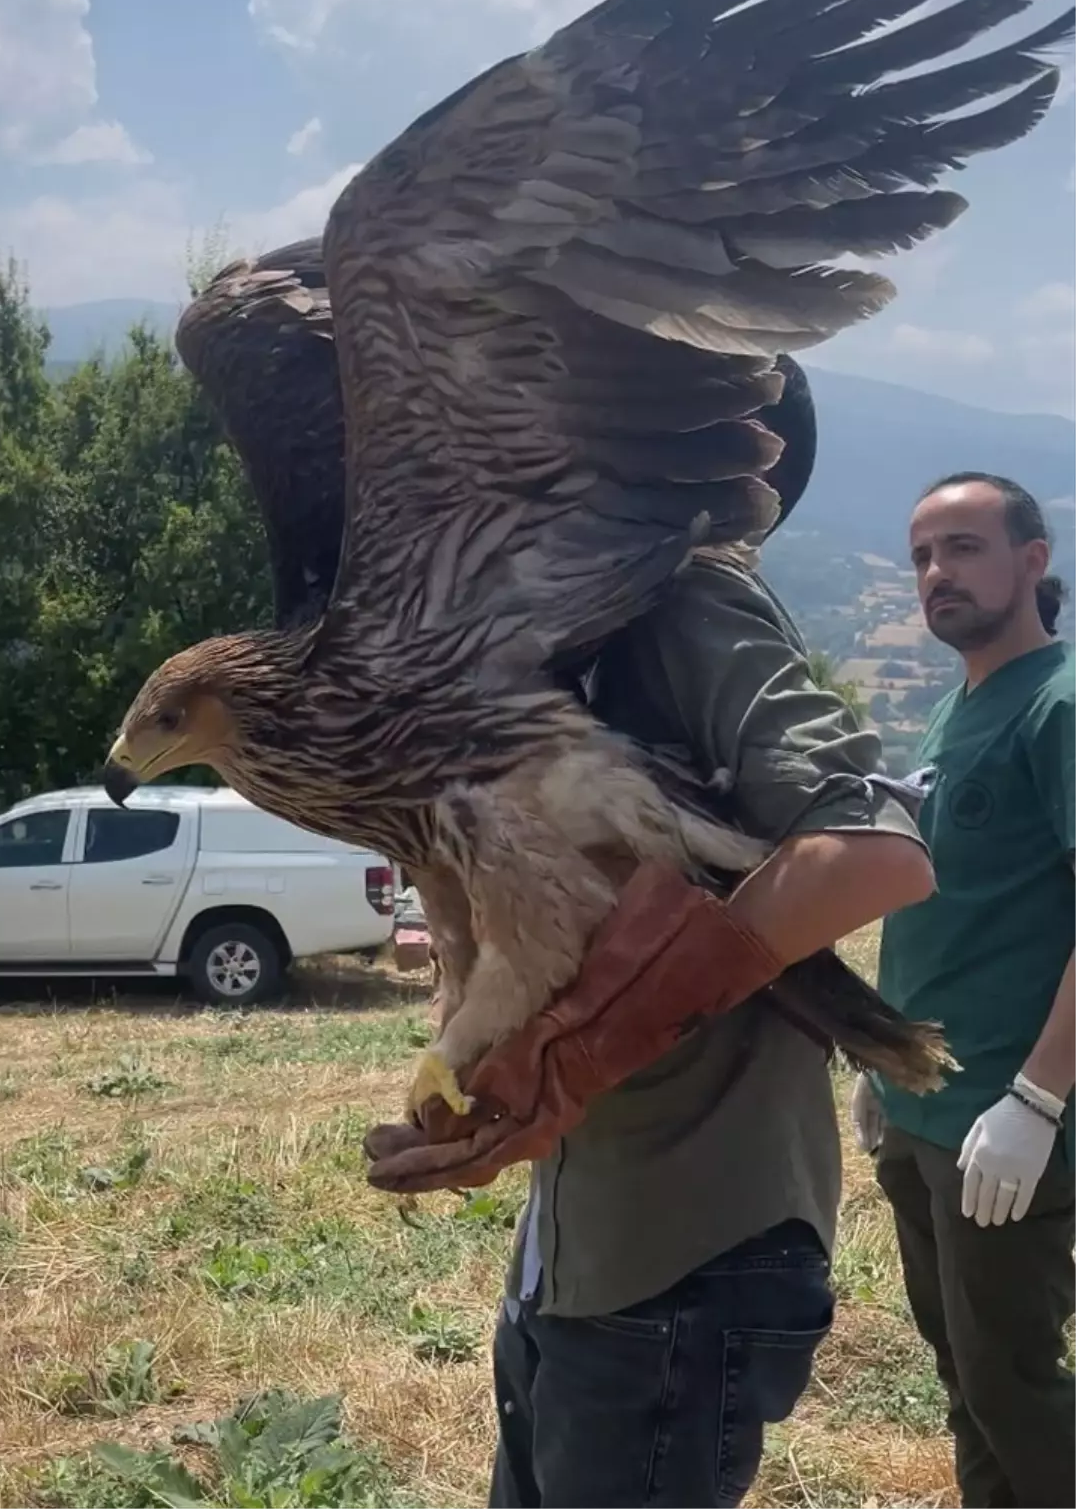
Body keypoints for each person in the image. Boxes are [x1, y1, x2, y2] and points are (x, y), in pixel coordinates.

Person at [367, 539, 935, 1508]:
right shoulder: (552, 642)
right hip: (579, 1252)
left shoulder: (683, 600)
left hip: (681, 1259)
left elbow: (869, 858)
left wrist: (576, 1061)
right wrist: (483, 1086)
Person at [850, 472, 1076, 1509]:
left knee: (1015, 1390)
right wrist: (884, 1052)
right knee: (968, 1384)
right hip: (925, 1110)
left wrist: (1036, 1098)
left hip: (1004, 1124)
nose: (938, 573)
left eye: (965, 547)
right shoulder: (960, 705)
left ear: (1033, 561)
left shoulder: (1059, 701)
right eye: (923, 556)